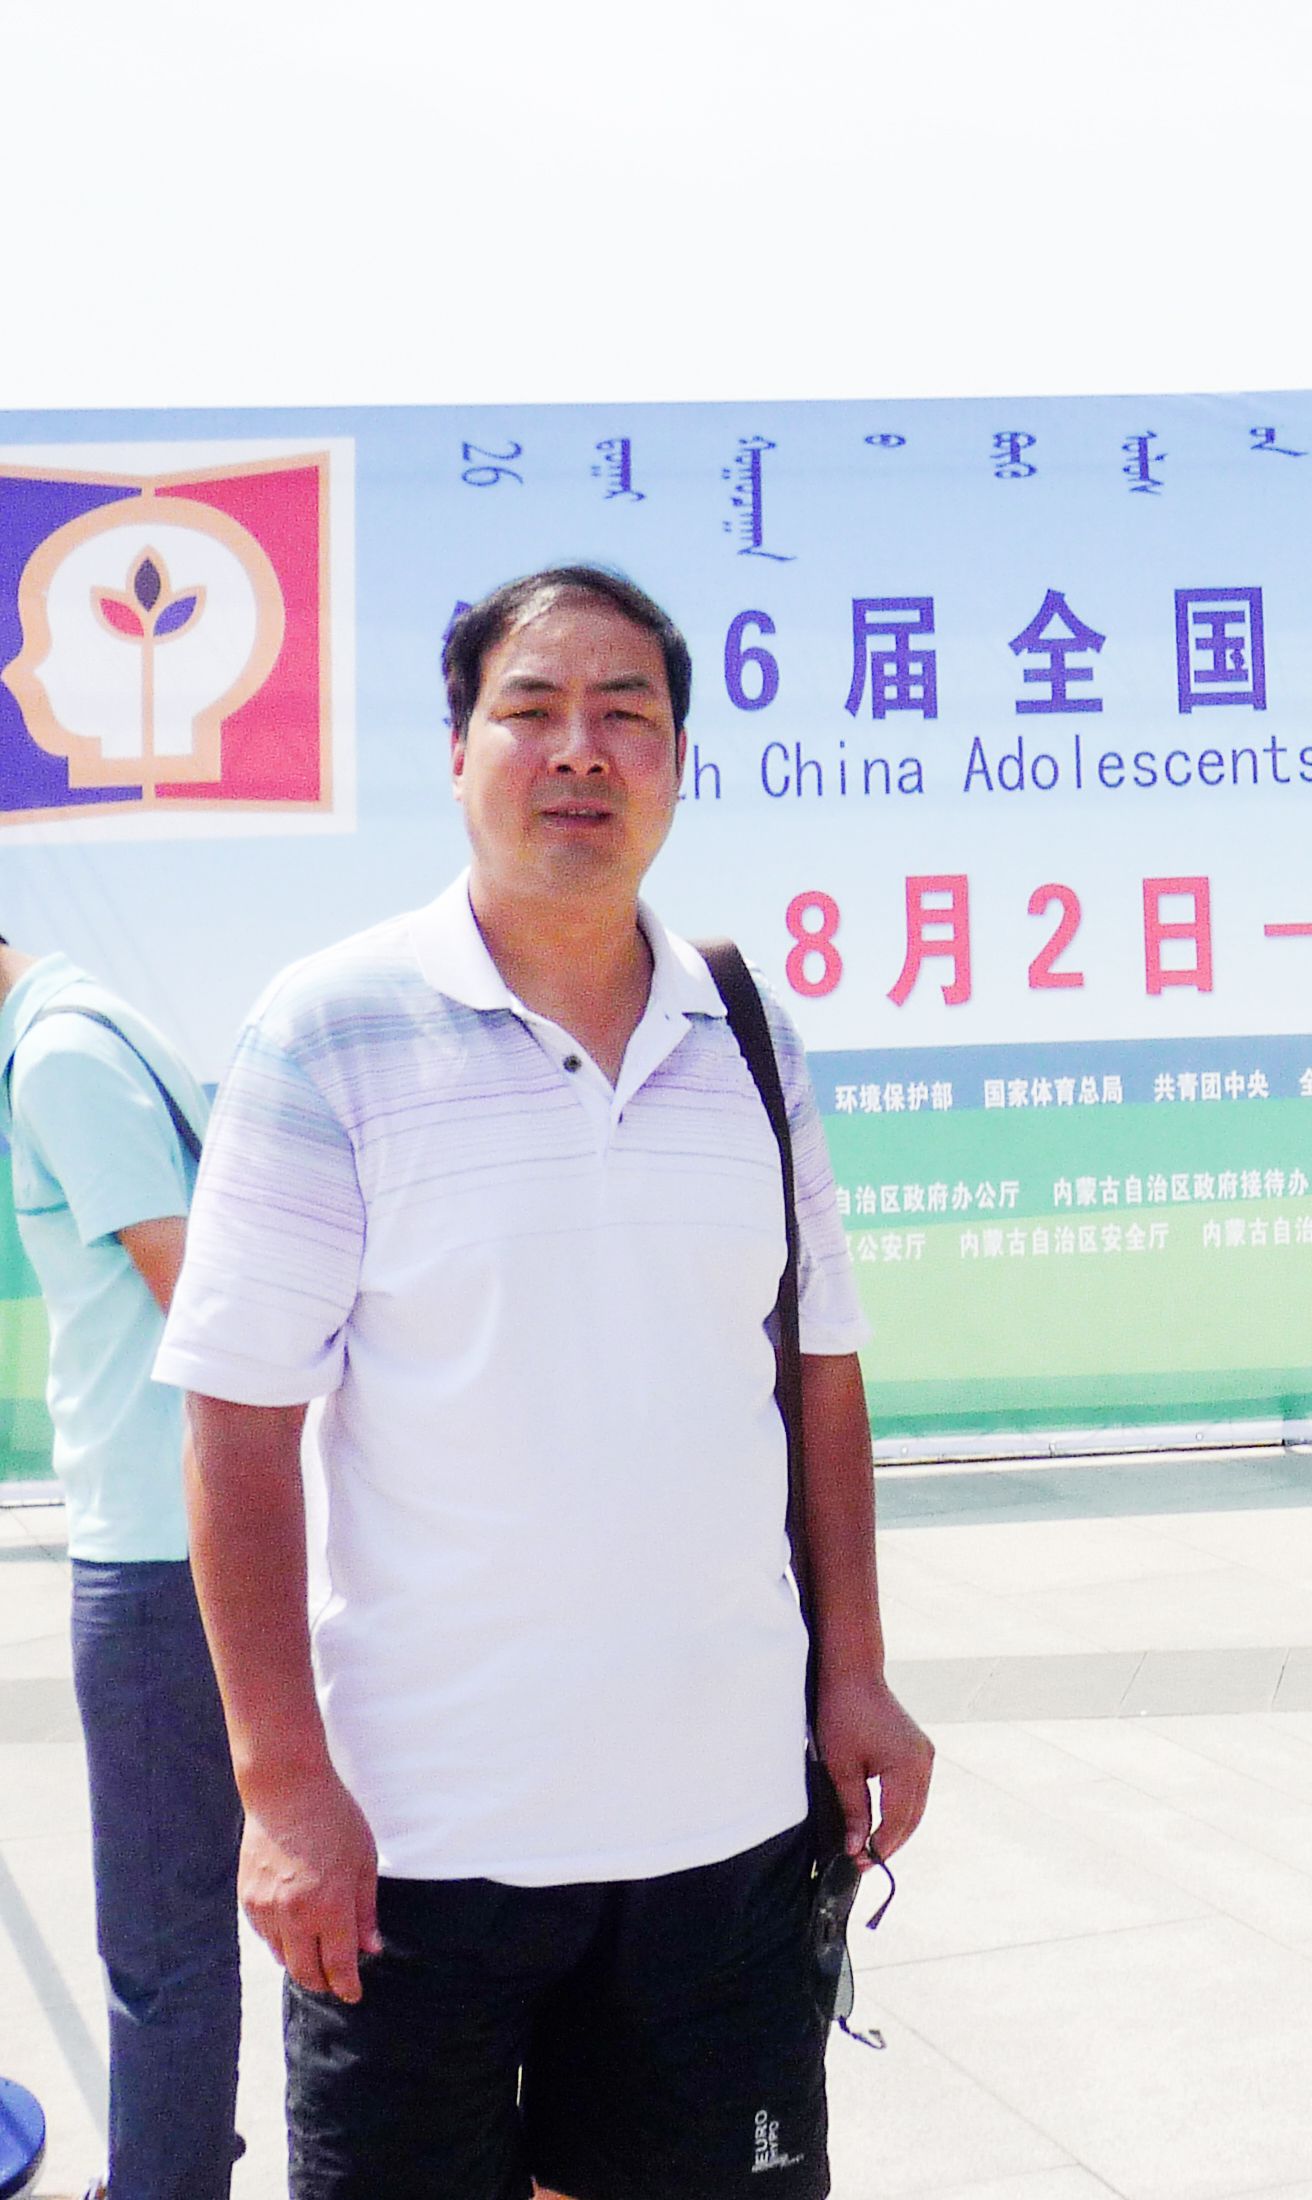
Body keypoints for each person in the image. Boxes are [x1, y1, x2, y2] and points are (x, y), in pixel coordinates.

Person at [159, 566, 933, 2200]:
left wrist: (856, 1671)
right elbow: (235, 1424)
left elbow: (818, 1370)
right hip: (417, 1847)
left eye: (625, 713)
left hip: (724, 1833)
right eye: (532, 709)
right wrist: (282, 1787)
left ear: (678, 761)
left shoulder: (748, 1031)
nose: (580, 748)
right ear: (457, 753)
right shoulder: (329, 1031)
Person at [0, 940, 242, 2200]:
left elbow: (202, 1309)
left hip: (155, 1556)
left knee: (159, 1935)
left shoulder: (61, 1060)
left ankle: (164, 2181)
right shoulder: (88, 1026)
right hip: (174, 1538)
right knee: (179, 1921)